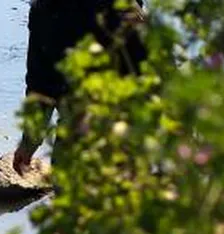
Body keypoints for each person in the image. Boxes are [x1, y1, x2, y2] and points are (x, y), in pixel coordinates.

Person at [14, 0, 148, 174]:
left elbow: (151, 73)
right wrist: (29, 142)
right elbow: (40, 84)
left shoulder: (122, 10)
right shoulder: (44, 12)